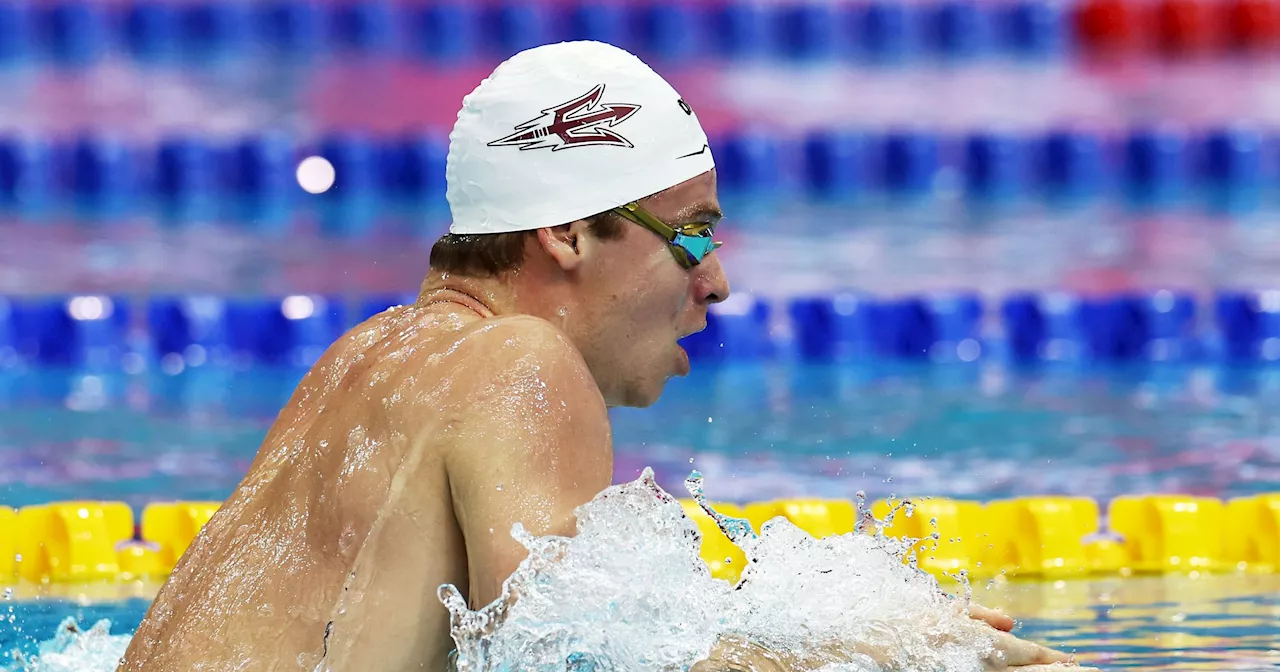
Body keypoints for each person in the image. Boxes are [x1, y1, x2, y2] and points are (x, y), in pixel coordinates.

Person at [118, 41, 1094, 672]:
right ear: (571, 234)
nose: (714, 284)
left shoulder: (367, 358)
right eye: (695, 236)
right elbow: (569, 655)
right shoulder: (519, 362)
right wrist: (882, 655)